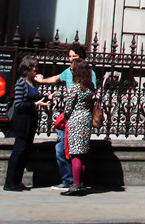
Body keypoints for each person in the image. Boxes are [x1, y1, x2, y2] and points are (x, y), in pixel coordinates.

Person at [33, 45, 89, 189]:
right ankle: (74, 182)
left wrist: (67, 115)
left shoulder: (82, 81)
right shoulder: (69, 73)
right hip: (81, 118)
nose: (71, 61)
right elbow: (56, 79)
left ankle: (73, 183)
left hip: (73, 119)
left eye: (74, 58)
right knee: (70, 151)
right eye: (70, 57)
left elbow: (73, 103)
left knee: (75, 153)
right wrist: (42, 81)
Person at [55, 61, 97, 196]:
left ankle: (75, 186)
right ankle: (80, 184)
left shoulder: (75, 87)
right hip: (86, 118)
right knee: (82, 153)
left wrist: (65, 116)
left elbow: (68, 107)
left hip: (76, 120)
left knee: (75, 154)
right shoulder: (90, 87)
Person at [4, 59, 43, 192]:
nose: (36, 70)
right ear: (28, 68)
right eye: (34, 68)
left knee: (26, 150)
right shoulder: (21, 83)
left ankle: (17, 180)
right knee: (19, 149)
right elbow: (19, 104)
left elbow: (36, 98)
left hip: (31, 119)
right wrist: (35, 105)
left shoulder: (31, 83)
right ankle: (9, 182)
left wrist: (47, 98)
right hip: (22, 120)